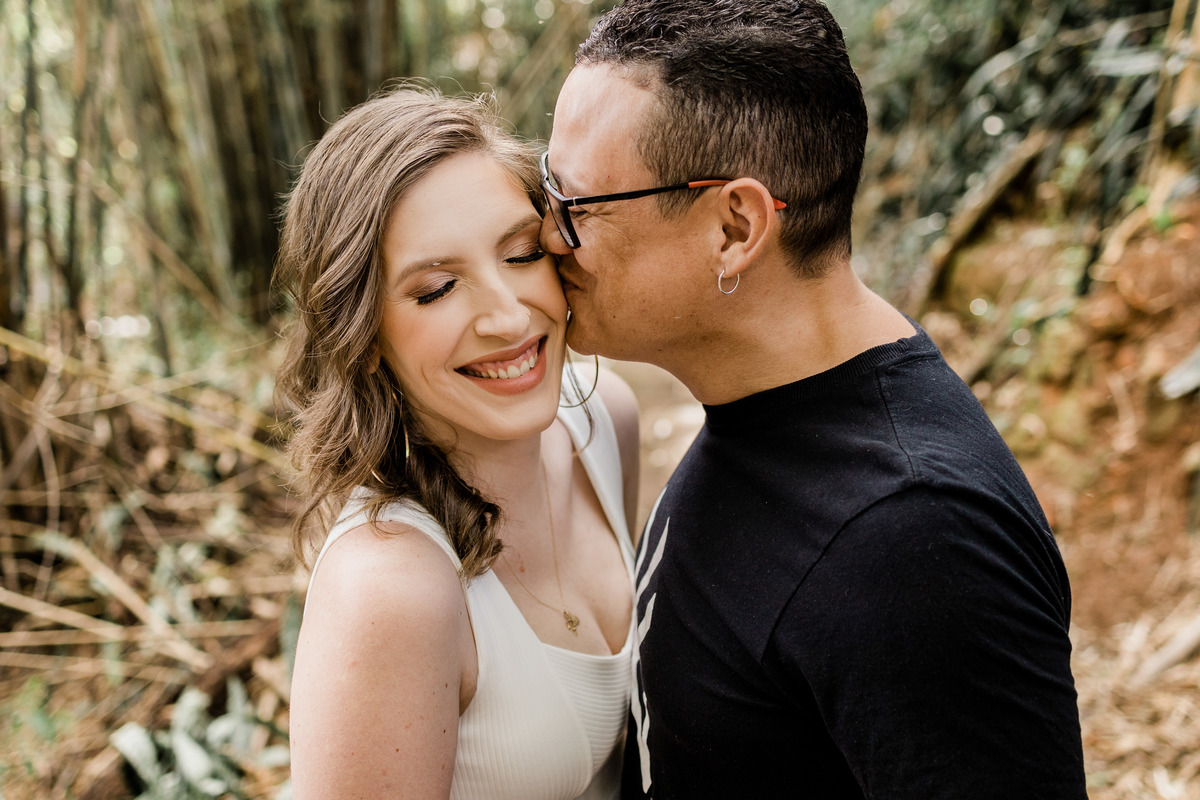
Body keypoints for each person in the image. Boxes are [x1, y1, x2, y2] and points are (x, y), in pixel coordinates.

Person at [537, 1, 1087, 798]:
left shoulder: (916, 537)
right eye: (548, 185)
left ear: (734, 228)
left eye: (578, 205)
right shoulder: (764, 414)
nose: (548, 234)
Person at [275, 87, 641, 800]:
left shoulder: (604, 423)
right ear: (363, 337)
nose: (508, 317)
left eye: (521, 254)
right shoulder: (390, 590)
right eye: (438, 288)